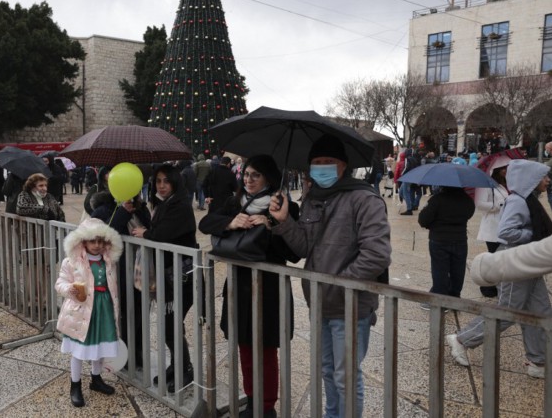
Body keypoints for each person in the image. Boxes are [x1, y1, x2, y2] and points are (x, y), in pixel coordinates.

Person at [269, 134, 392, 418]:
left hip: (350, 306)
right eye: (316, 162)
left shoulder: (364, 198)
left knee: (346, 376)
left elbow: (376, 254)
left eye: (328, 162)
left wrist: (339, 285)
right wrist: (285, 220)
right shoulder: (313, 199)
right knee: (327, 370)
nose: (322, 167)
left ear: (343, 165)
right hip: (319, 302)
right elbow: (303, 248)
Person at [199, 155, 299, 418]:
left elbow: (293, 253)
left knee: (266, 348)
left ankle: (266, 406)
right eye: (246, 174)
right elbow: (205, 222)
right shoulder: (235, 203)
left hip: (269, 289)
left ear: (268, 177)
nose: (248, 179)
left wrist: (273, 225)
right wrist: (230, 223)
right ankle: (252, 397)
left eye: (255, 175)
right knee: (244, 344)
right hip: (239, 287)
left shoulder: (284, 206)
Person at [447, 159, 552, 379]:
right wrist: (532, 235)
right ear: (531, 179)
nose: (547, 180)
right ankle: (461, 339)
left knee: (540, 311)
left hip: (527, 262)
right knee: (508, 312)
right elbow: (505, 232)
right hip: (515, 263)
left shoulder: (527, 199)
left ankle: (538, 360)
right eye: (544, 176)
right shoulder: (518, 201)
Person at [131, 163, 198, 392]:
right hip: (169, 277)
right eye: (158, 181)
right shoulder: (163, 204)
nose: (161, 186)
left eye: (165, 181)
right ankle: (178, 365)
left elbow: (163, 234)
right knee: (169, 324)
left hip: (182, 277)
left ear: (175, 183)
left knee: (171, 324)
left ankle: (185, 369)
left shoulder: (179, 205)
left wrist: (146, 233)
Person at [55, 218, 123, 407]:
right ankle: (75, 385)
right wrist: (71, 290)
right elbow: (59, 283)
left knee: (99, 346)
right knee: (78, 350)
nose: (97, 245)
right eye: (92, 241)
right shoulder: (72, 261)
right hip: (82, 312)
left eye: (101, 241)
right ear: (83, 241)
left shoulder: (108, 260)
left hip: (104, 309)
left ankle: (96, 378)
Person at [90, 187, 151, 369]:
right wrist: (123, 212)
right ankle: (120, 353)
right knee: (121, 312)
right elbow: (103, 235)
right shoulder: (103, 209)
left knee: (139, 312)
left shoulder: (141, 207)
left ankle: (136, 352)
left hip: (141, 269)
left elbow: (151, 228)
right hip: (117, 271)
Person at [417, 186, 475, 305]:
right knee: (458, 269)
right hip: (460, 239)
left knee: (439, 270)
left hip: (439, 240)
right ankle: (454, 296)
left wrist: (435, 224)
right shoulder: (467, 200)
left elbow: (423, 220)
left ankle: (440, 299)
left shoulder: (437, 200)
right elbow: (469, 214)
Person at [473, 161, 510, 297]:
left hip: (503, 226)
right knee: (494, 257)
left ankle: (497, 285)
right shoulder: (485, 185)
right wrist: (498, 205)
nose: (506, 171)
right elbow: (479, 204)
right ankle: (488, 287)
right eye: (503, 168)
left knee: (499, 258)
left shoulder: (502, 185)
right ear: (496, 170)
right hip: (491, 228)